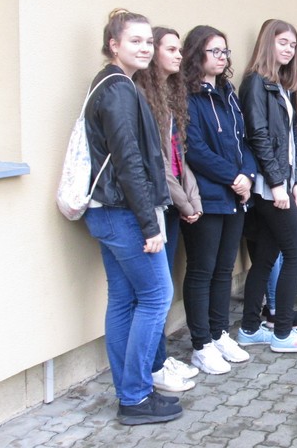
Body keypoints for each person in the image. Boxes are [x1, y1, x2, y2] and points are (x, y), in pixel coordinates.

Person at [83, 8, 181, 425]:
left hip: (110, 212)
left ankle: (132, 395)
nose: (144, 48)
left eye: (148, 41)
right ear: (114, 45)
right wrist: (149, 224)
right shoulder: (118, 90)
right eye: (134, 41)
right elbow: (129, 163)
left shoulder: (109, 83)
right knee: (157, 296)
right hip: (124, 214)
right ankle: (136, 395)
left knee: (124, 300)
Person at [238, 19, 297, 353]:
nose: (288, 49)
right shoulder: (255, 83)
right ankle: (283, 333)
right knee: (296, 252)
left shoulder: (281, 85)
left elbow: (287, 139)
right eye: (282, 42)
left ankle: (248, 329)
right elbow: (258, 136)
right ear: (267, 43)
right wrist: (277, 184)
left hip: (280, 182)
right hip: (267, 185)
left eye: (293, 44)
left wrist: (294, 180)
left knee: (266, 257)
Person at [178, 25, 257, 375]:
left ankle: (219, 332)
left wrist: (248, 175)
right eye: (215, 51)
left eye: (225, 51)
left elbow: (244, 142)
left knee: (225, 268)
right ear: (197, 54)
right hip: (208, 198)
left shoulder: (228, 92)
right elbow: (193, 148)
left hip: (235, 196)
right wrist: (233, 177)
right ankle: (201, 344)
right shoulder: (188, 96)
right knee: (202, 270)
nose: (222, 57)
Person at [133, 27, 202, 392]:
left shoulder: (170, 93)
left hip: (173, 202)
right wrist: (184, 200)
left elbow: (179, 156)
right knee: (155, 292)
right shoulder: (143, 96)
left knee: (162, 286)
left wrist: (191, 199)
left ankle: (159, 359)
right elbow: (157, 164)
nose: (179, 55)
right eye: (171, 49)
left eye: (179, 49)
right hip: (159, 202)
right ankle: (155, 365)